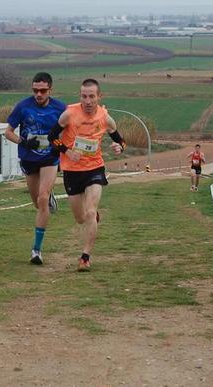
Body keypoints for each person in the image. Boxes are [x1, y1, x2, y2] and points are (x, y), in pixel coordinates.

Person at [48, 78, 126, 272]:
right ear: (80, 97)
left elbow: (120, 140)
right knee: (80, 218)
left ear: (99, 96)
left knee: (90, 212)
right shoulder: (69, 115)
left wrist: (119, 147)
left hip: (95, 168)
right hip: (72, 171)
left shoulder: (105, 118)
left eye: (92, 96)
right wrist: (67, 151)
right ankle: (92, 218)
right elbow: (51, 137)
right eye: (84, 96)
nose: (88, 101)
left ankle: (85, 257)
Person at [4, 72, 66, 265]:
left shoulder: (60, 108)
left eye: (43, 90)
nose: (38, 94)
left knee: (42, 198)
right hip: (29, 159)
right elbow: (8, 132)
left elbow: (70, 131)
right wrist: (23, 142)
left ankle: (36, 250)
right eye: (35, 90)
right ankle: (48, 199)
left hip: (50, 158)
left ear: (50, 89)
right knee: (38, 204)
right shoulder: (23, 106)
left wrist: (60, 144)